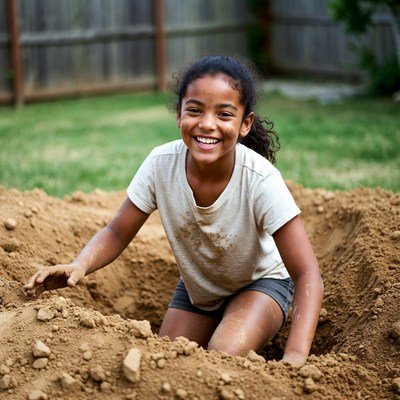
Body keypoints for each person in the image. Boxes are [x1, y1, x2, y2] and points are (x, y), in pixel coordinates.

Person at [24, 55, 323, 367]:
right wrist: (79, 265)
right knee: (165, 360)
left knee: (223, 354)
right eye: (194, 110)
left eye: (224, 114)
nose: (207, 124)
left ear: (245, 123)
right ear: (179, 115)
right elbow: (117, 230)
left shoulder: (260, 180)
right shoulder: (160, 163)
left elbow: (307, 273)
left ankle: (246, 320)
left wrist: (295, 357)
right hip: (201, 287)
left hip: (261, 282)